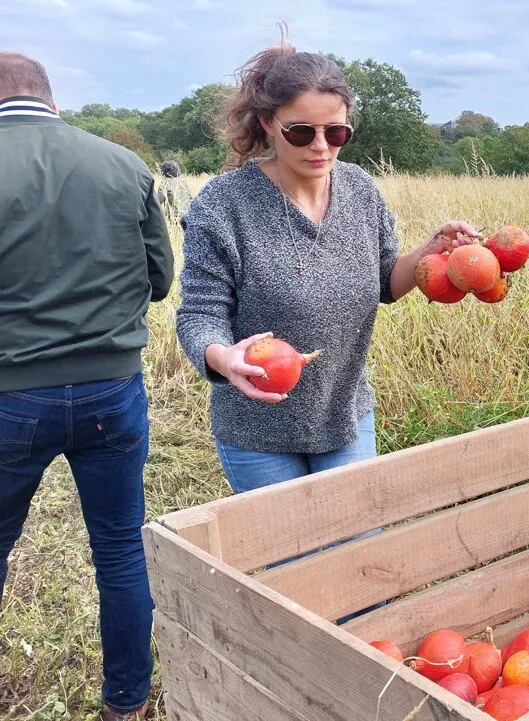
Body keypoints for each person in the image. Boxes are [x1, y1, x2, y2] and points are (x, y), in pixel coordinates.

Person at [174, 37, 477, 526]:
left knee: (356, 560)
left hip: (345, 417)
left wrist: (427, 254)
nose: (320, 147)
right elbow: (200, 312)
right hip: (257, 432)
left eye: (335, 133)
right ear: (268, 124)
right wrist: (222, 357)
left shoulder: (359, 190)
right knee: (291, 569)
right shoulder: (223, 206)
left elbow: (385, 282)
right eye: (301, 132)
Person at [0, 53, 173, 721]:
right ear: (51, 98)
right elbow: (160, 280)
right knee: (120, 546)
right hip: (112, 388)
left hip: (11, 393)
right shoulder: (122, 166)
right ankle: (127, 701)